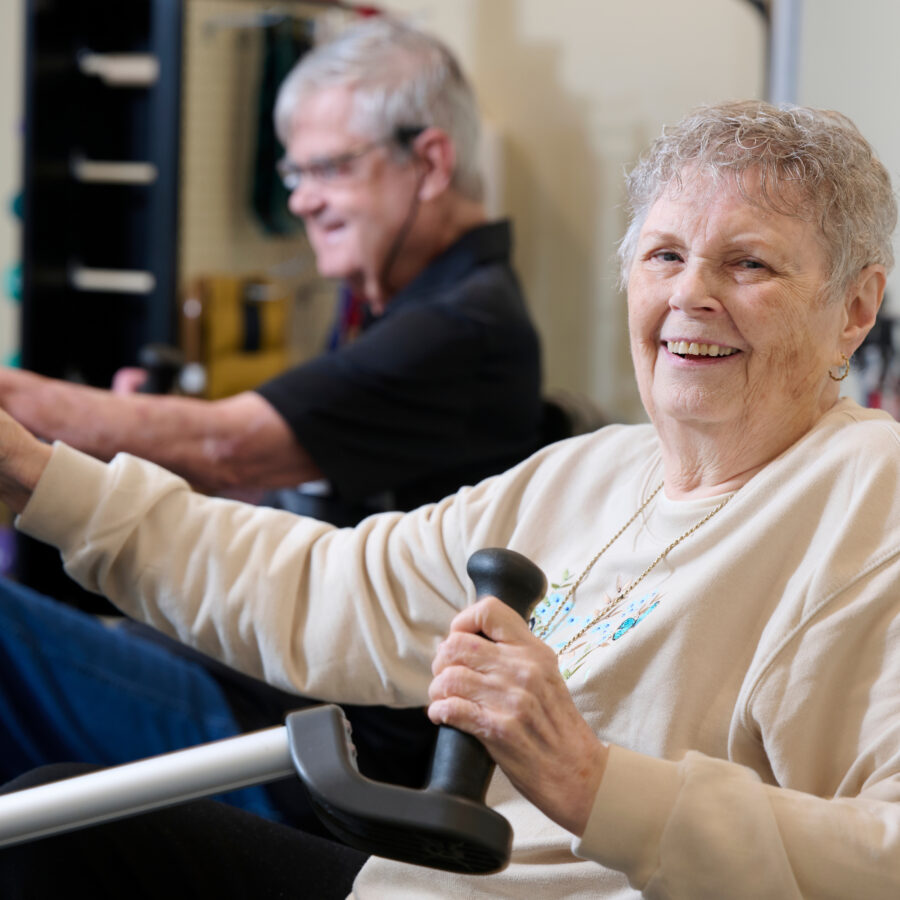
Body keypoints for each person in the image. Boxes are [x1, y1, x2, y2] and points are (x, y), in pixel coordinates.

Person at [2, 98, 900, 898]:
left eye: (748, 265)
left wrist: (595, 784)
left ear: (855, 310)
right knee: (51, 827)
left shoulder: (870, 505)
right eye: (665, 255)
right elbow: (328, 587)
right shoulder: (589, 474)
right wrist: (43, 481)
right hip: (424, 887)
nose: (690, 295)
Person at [0, 17, 545, 830]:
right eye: (294, 170)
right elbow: (266, 471)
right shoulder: (389, 304)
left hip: (327, 749)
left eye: (328, 167)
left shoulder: (460, 326)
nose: (299, 197)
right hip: (267, 684)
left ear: (430, 161)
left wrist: (36, 418)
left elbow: (225, 446)